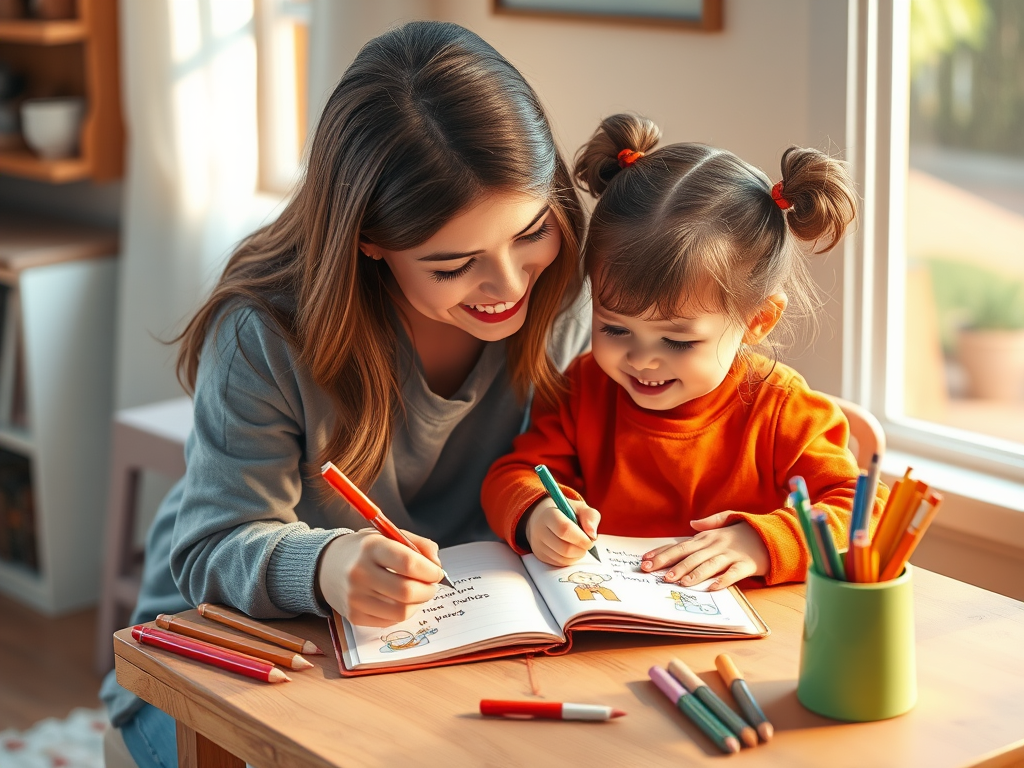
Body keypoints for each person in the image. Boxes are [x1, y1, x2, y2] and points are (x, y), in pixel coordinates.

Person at [100, 21, 591, 768]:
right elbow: (210, 547)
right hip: (227, 659)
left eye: (530, 231)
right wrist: (327, 566)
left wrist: (550, 511)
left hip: (435, 645)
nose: (509, 283)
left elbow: (560, 450)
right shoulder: (264, 332)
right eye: (454, 263)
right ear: (370, 239)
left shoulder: (557, 291)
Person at [482, 113, 888, 591]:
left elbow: (866, 511)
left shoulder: (780, 410)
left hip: (750, 642)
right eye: (614, 328)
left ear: (757, 320)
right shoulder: (586, 388)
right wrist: (538, 511)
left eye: (676, 340)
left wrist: (762, 542)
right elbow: (513, 474)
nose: (642, 360)